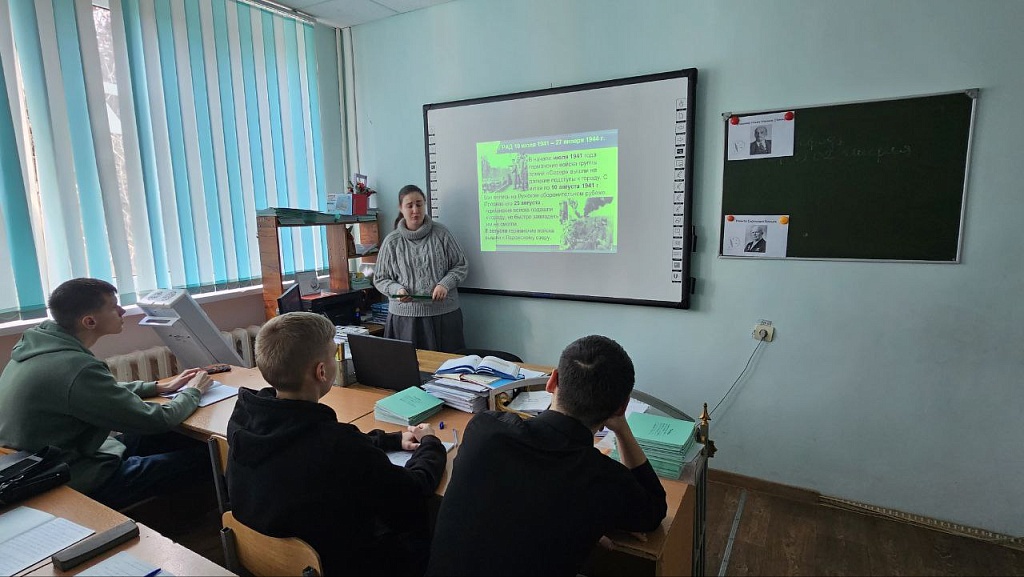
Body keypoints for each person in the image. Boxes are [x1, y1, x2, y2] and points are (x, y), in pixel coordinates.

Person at [426, 335, 668, 576]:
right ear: (621, 407)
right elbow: (654, 511)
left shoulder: (484, 430)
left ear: (552, 381)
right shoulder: (604, 480)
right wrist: (622, 429)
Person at [226, 312, 446, 576]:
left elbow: (316, 439)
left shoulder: (244, 417)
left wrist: (391, 439)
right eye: (334, 355)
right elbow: (412, 490)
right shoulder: (336, 445)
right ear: (321, 371)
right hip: (343, 565)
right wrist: (431, 443)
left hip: (267, 559)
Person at [0, 278, 212, 509]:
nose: (122, 311)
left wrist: (156, 387)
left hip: (49, 461)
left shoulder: (38, 348)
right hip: (74, 476)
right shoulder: (76, 367)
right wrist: (193, 391)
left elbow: (91, 392)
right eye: (113, 306)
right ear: (90, 321)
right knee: (209, 457)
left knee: (170, 438)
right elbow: (156, 420)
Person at [373, 184, 469, 352]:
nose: (415, 210)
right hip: (405, 320)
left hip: (443, 316)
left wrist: (445, 284)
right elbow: (380, 278)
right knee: (408, 367)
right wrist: (397, 290)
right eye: (409, 205)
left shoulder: (442, 234)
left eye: (419, 204)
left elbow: (461, 265)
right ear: (401, 208)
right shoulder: (392, 241)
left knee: (447, 365)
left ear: (425, 204)